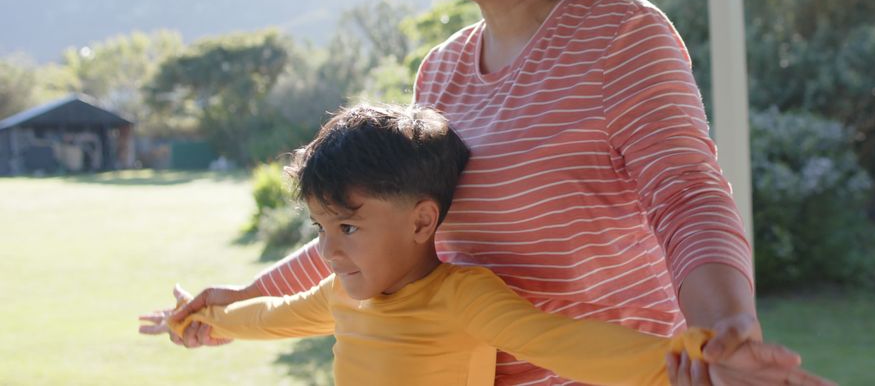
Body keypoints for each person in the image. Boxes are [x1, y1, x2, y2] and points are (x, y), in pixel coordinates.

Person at [155, 0, 832, 386]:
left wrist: (724, 334)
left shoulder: (620, 33)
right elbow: (380, 220)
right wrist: (238, 300)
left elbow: (686, 192)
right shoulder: (441, 70)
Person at [144, 103, 717, 385]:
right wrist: (208, 315)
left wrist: (700, 359)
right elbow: (269, 317)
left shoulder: (462, 297)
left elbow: (564, 342)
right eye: (320, 229)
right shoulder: (340, 296)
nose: (328, 252)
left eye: (347, 228)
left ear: (422, 222)